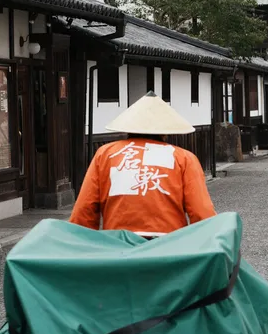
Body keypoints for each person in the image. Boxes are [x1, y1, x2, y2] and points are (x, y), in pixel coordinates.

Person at [70, 91, 216, 235]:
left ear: (128, 127)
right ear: (165, 131)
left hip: (118, 244)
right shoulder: (184, 158)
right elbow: (201, 212)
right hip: (169, 246)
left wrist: (81, 244)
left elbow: (85, 209)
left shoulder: (106, 154)